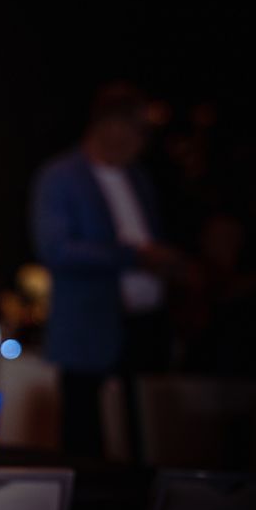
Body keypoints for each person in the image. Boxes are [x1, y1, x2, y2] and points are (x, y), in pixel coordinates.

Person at [31, 81, 184, 460]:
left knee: (143, 440)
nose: (144, 141)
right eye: (139, 129)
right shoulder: (61, 176)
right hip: (89, 331)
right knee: (87, 444)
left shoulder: (138, 177)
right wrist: (134, 256)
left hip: (143, 326)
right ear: (111, 125)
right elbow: (56, 249)